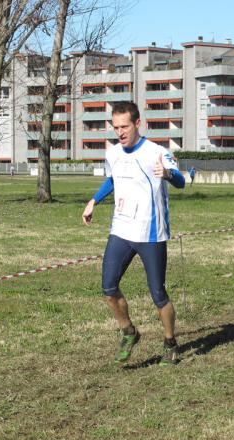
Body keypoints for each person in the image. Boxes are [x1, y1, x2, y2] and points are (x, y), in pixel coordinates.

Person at [81, 101, 186, 365]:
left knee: (157, 293)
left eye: (124, 126)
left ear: (138, 123)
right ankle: (129, 331)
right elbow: (113, 179)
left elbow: (182, 181)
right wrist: (94, 200)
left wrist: (169, 175)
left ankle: (170, 342)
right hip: (121, 230)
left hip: (151, 233)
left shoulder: (157, 152)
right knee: (108, 287)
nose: (120, 132)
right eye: (115, 127)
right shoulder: (113, 153)